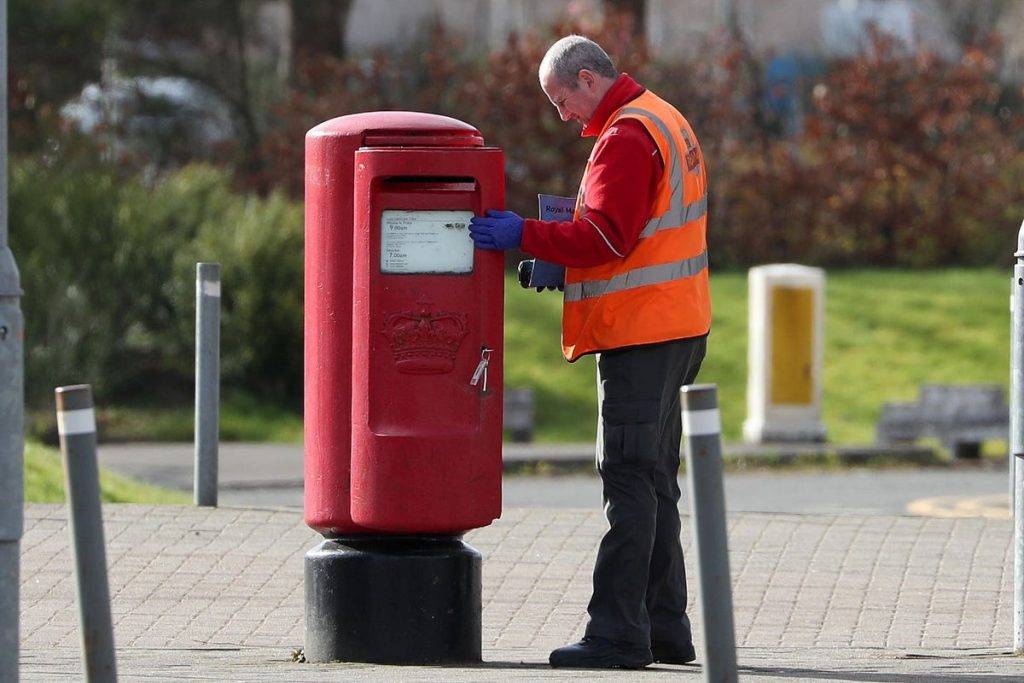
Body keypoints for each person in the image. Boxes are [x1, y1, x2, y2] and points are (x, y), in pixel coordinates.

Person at [469, 35, 711, 670]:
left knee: (628, 479)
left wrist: (524, 233)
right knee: (656, 480)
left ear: (586, 78)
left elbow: (606, 233)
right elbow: (641, 235)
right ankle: (665, 628)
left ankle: (617, 635)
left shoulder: (626, 137)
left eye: (561, 99)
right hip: (679, 325)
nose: (562, 114)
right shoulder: (664, 117)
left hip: (640, 334)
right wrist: (562, 261)